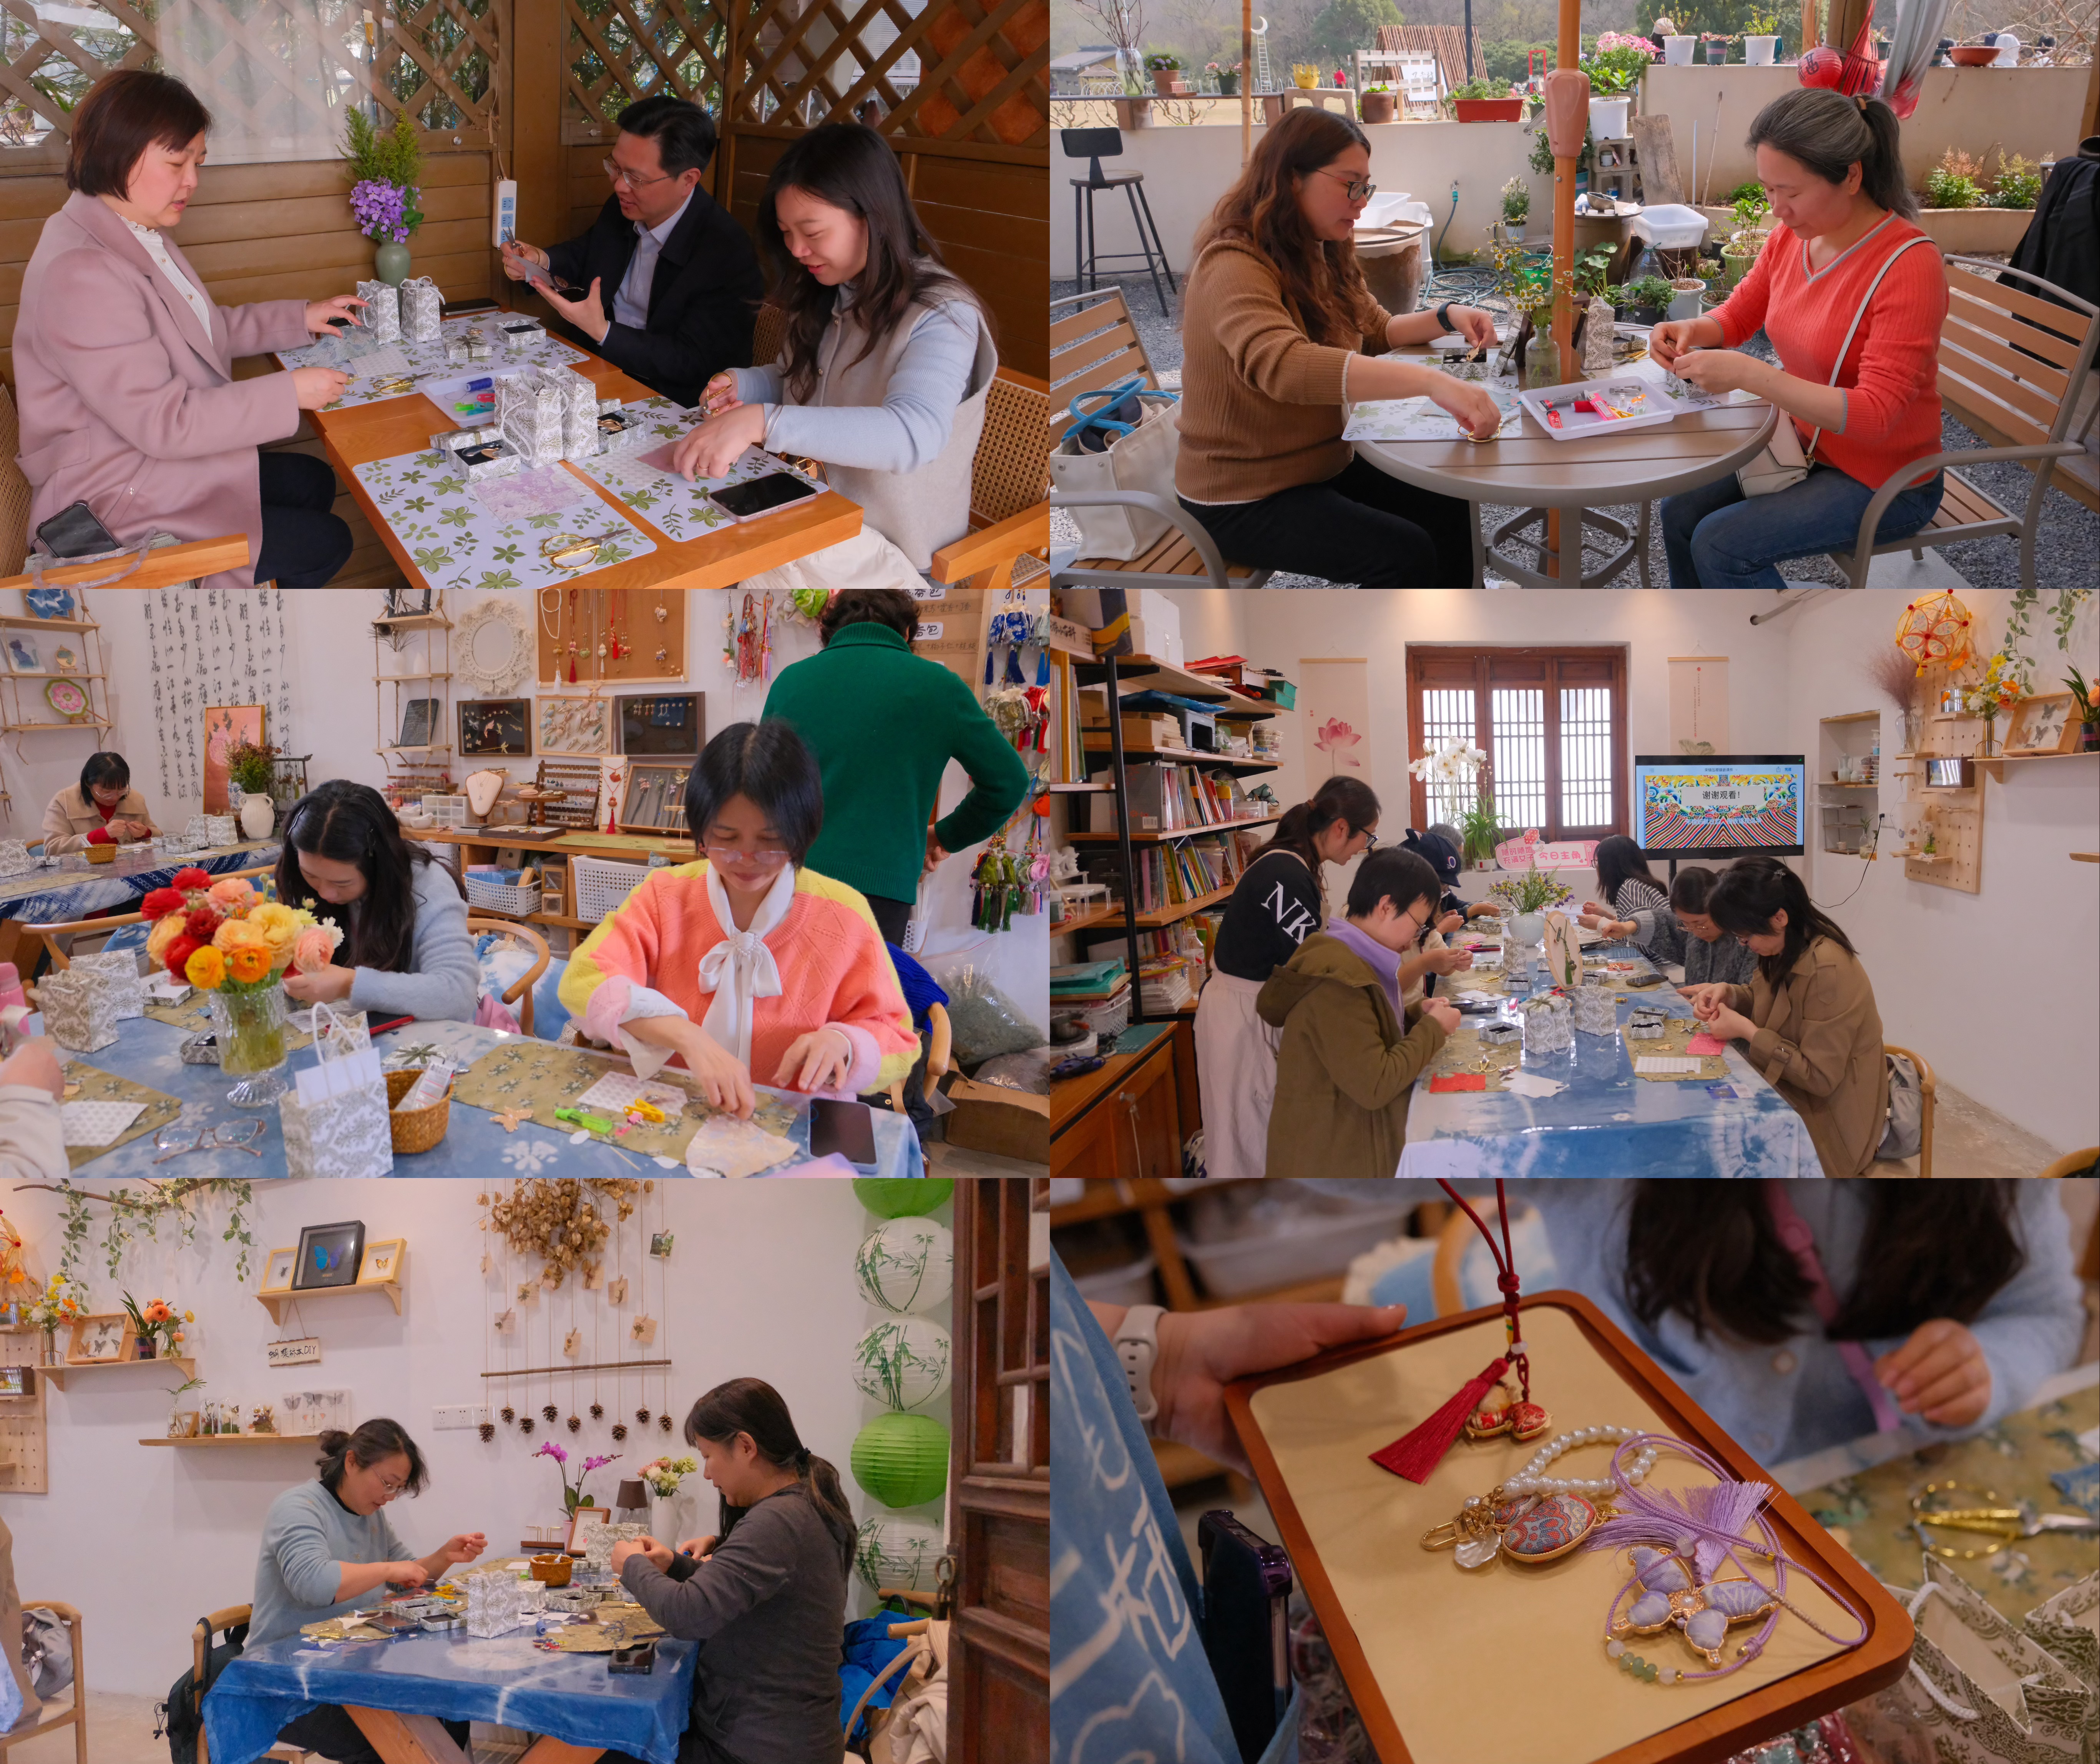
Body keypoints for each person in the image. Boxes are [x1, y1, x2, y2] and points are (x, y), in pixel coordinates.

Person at [15, 71, 362, 592]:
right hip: (117, 498)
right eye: (176, 163)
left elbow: (200, 330)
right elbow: (166, 423)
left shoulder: (127, 228)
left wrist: (300, 317)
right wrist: (288, 391)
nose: (192, 181)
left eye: (198, 162)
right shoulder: (82, 272)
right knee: (329, 541)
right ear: (117, 152)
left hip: (143, 461)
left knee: (313, 479)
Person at [1174, 107, 1504, 590]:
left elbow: (1376, 329)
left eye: (1365, 187)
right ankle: (1405, 637)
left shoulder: (1317, 246)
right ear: (1291, 179)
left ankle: (1454, 625)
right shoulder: (1232, 261)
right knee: (1404, 553)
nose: (1361, 202)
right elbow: (1284, 366)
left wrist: (1446, 315)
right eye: (1351, 185)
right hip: (1240, 494)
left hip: (1317, 465)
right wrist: (1432, 382)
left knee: (1444, 491)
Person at [1652, 89, 1948, 591]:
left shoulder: (1908, 266)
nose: (1778, 209)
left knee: (1720, 546)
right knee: (1679, 511)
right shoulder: (1792, 238)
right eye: (1767, 190)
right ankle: (1705, 631)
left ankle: (1771, 642)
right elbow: (1739, 315)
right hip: (1802, 446)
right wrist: (1690, 330)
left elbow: (1877, 416)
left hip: (1887, 479)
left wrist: (1752, 375)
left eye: (1789, 192)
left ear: (1850, 176)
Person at [674, 123, 997, 574]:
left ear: (872, 217)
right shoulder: (830, 290)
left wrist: (764, 421)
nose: (796, 249)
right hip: (810, 521)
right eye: (786, 232)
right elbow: (797, 379)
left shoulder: (941, 314)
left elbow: (913, 436)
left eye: (812, 232)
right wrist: (743, 384)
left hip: (893, 559)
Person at [559, 721, 919, 1118]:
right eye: (726, 839)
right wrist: (688, 1037)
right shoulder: (665, 896)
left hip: (794, 1121)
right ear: (700, 831)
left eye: (770, 841)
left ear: (803, 832)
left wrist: (844, 1043)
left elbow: (897, 1038)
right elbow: (583, 980)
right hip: (671, 1110)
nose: (746, 860)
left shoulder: (843, 913)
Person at [761, 588, 1030, 944]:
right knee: (869, 982)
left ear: (826, 631)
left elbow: (761, 787)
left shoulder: (790, 681)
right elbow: (1009, 782)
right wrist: (944, 836)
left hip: (788, 882)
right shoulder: (938, 686)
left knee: (785, 980)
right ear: (906, 632)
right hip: (882, 890)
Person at [607, 1379, 854, 1764]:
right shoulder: (803, 1504)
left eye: (708, 1456)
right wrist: (674, 1565)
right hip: (785, 1739)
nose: (707, 1474)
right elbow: (739, 1587)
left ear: (745, 1446)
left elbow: (687, 1615)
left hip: (760, 1749)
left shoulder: (778, 1521)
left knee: (612, 1748)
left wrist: (632, 1565)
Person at [499, 95, 762, 409]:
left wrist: (603, 331)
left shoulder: (726, 251)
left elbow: (696, 362)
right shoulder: (624, 207)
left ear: (688, 180)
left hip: (671, 400)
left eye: (635, 178)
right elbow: (589, 253)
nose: (619, 186)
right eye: (615, 167)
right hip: (599, 368)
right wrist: (539, 260)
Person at [249, 1421, 486, 1761]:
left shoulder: (370, 1516)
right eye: (387, 1484)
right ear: (351, 1462)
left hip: (351, 1667)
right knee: (388, 1741)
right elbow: (313, 1584)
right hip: (287, 1679)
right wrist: (387, 1569)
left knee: (450, 1712)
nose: (389, 1497)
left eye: (398, 1489)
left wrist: (443, 1556)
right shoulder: (298, 1507)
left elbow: (406, 1575)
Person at [1195, 776, 1381, 1181]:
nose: (1363, 848)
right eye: (1366, 837)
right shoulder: (1285, 874)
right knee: (1247, 1145)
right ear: (1341, 828)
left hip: (1251, 1007)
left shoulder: (1294, 865)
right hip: (1242, 1018)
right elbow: (1310, 963)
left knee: (1255, 1138)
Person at [1257, 848, 1461, 1179]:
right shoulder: (1337, 981)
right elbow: (1375, 1084)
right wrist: (1433, 1030)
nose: (1415, 937)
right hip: (1331, 1164)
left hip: (1350, 1143)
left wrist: (1415, 1015)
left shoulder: (1356, 958)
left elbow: (1365, 1033)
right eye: (1417, 925)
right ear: (1386, 907)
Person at [1687, 856, 1888, 1176]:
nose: (1745, 946)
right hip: (1793, 1092)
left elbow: (1819, 1078)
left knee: (1715, 1145)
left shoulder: (1827, 969)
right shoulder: (1785, 947)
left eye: (1745, 937)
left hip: (1832, 1123)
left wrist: (1748, 1032)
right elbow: (1769, 1001)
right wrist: (1728, 993)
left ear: (1779, 917)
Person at [273, 782, 478, 1024]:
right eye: (311, 876)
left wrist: (349, 983)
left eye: (342, 883)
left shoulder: (429, 886)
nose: (326, 893)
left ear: (377, 863)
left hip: (432, 1036)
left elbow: (458, 994)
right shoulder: (303, 881)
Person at [1584, 862, 1758, 989]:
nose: (1695, 932)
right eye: (1686, 925)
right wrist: (1628, 927)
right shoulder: (1694, 928)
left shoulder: (1748, 941)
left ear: (1720, 908)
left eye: (1700, 924)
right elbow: (1664, 919)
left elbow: (1749, 998)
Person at [1579, 833, 1671, 963]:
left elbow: (1643, 942)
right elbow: (1635, 925)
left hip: (1663, 967)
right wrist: (1607, 916)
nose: (1597, 867)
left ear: (1610, 866)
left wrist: (1601, 924)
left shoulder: (1630, 888)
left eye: (1598, 862)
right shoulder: (1637, 884)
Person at [41, 752, 156, 855]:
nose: (115, 797)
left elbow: (159, 838)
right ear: (88, 783)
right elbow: (52, 850)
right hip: (84, 871)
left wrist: (146, 833)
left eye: (121, 790)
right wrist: (100, 835)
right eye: (107, 792)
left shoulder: (135, 799)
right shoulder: (63, 802)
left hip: (131, 869)